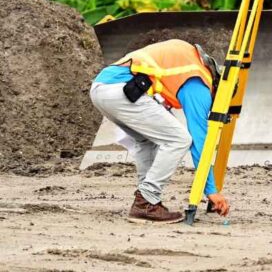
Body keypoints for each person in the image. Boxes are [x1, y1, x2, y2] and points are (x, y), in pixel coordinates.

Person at [89, 39, 229, 224]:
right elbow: (199, 140)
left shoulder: (188, 59)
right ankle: (146, 201)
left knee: (147, 141)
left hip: (103, 89)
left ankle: (146, 203)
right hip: (121, 89)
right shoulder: (199, 82)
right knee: (179, 140)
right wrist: (211, 190)